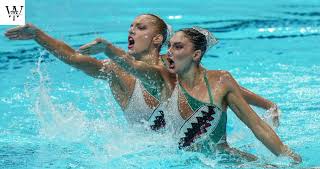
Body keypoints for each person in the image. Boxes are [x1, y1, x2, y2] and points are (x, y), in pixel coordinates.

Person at [5, 14, 279, 126]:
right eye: (131, 27)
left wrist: (267, 105)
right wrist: (38, 35)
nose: (131, 30)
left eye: (140, 27)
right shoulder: (115, 70)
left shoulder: (172, 66)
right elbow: (74, 58)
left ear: (158, 39)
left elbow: (218, 85)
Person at [80, 27, 301, 163]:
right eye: (169, 46)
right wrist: (109, 49)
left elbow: (257, 126)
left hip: (223, 159)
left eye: (177, 47)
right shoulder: (164, 78)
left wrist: (291, 159)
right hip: (180, 162)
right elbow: (133, 66)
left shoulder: (220, 80)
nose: (169, 52)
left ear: (195, 54)